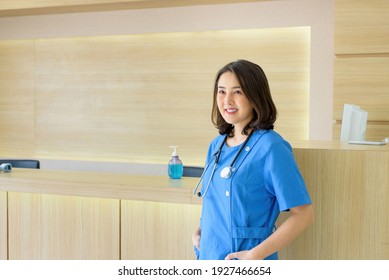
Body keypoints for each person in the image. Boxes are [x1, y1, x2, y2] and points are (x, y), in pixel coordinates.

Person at [192, 59, 313, 260]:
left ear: (255, 96)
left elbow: (304, 215)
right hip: (209, 255)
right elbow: (218, 203)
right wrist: (200, 230)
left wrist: (255, 255)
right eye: (221, 91)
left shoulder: (271, 147)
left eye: (237, 92)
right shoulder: (216, 145)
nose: (227, 100)